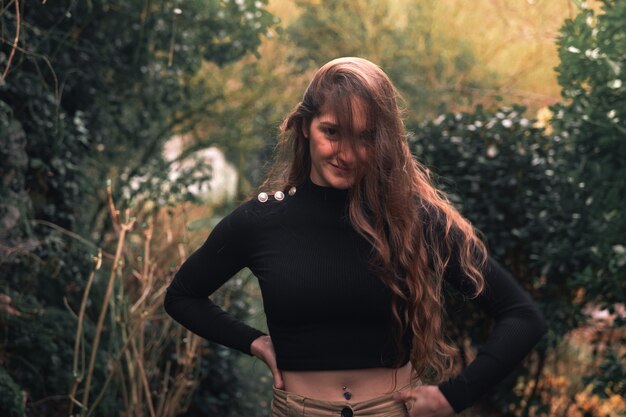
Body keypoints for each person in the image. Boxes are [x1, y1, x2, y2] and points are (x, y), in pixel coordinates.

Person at [164, 57, 547, 417]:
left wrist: (453, 396)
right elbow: (183, 296)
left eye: (364, 137)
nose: (346, 154)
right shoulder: (261, 220)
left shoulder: (416, 218)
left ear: (383, 142)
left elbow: (521, 315)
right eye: (332, 132)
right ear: (303, 127)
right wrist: (256, 342)